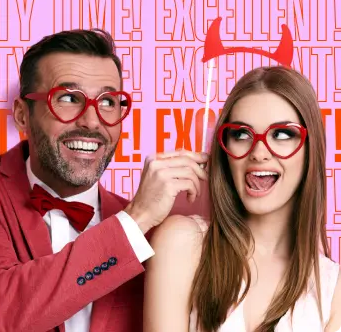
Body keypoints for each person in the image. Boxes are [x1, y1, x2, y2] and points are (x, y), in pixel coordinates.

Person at [0, 29, 210, 332]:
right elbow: (5, 310)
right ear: (22, 115)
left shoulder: (153, 233)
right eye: (68, 98)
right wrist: (136, 220)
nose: (91, 121)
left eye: (108, 102)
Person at [143, 66, 341, 332]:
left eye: (282, 134)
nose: (258, 153)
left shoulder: (332, 289)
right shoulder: (182, 242)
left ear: (310, 150)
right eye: (241, 134)